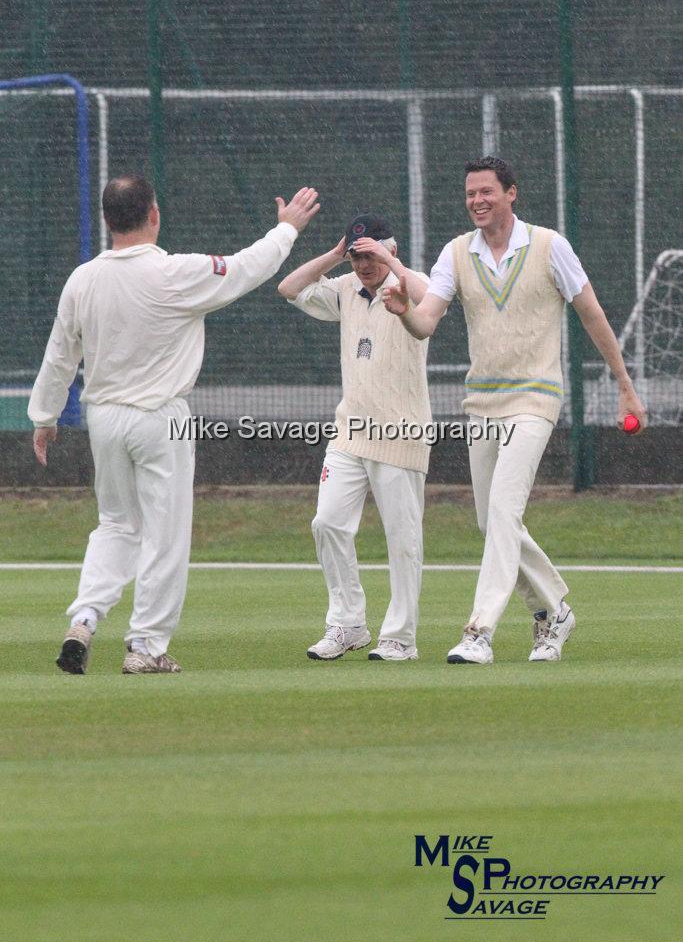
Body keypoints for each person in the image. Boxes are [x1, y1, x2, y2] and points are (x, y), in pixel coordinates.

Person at [29, 176, 319, 674]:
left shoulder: (82, 279)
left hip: (104, 419)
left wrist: (44, 416)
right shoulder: (175, 272)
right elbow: (249, 267)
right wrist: (287, 229)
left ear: (106, 219)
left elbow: (60, 355)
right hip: (162, 417)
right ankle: (145, 647)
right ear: (154, 215)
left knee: (115, 525)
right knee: (164, 534)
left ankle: (84, 617)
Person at [384, 157, 646, 664]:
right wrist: (404, 316)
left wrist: (625, 387)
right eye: (469, 194)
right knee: (491, 522)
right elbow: (427, 322)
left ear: (511, 194)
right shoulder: (456, 253)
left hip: (535, 398)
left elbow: (592, 315)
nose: (476, 201)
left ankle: (478, 630)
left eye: (486, 191)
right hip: (481, 402)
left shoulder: (551, 247)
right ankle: (554, 610)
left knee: (505, 510)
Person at [278, 214, 431, 661]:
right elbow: (289, 288)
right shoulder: (344, 289)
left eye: (372, 255)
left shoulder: (409, 283)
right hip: (350, 433)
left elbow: (429, 299)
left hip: (401, 433)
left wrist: (390, 261)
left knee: (402, 538)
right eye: (357, 256)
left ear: (391, 251)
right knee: (326, 523)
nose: (364, 265)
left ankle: (400, 637)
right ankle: (347, 623)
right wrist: (334, 254)